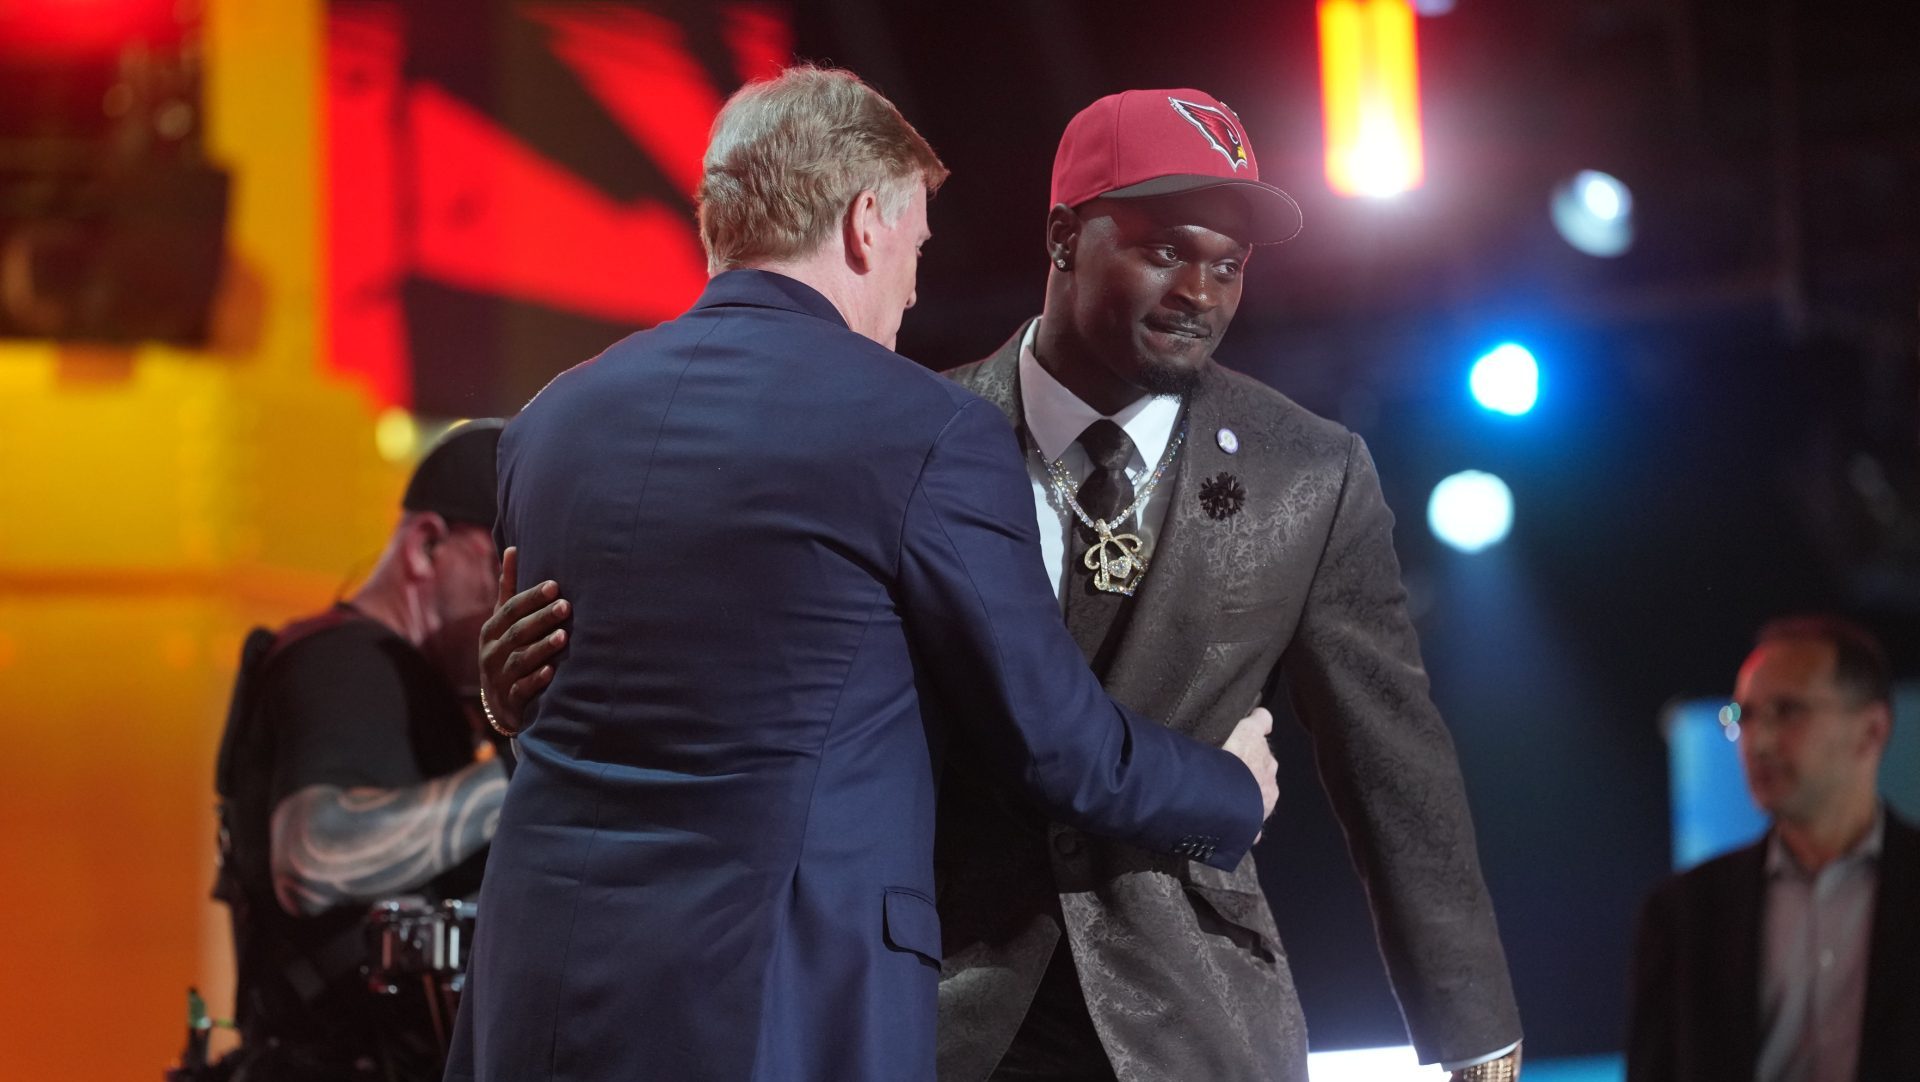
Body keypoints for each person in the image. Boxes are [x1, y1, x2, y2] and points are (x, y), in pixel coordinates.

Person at [483, 87, 1524, 1082]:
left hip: (1191, 1018)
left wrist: (1474, 1028)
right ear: (1064, 237)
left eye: (1229, 264)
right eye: (1166, 250)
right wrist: (524, 697)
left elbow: (1395, 756)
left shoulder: (1311, 472)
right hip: (935, 1007)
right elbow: (764, 682)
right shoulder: (915, 428)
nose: (1201, 293)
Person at [210, 420, 511, 1082]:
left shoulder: (424, 684)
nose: (510, 602)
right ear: (426, 546)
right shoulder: (349, 662)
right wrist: (525, 778)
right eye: (502, 570)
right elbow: (312, 859)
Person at [1626, 615, 1920, 1082]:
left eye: (1787, 711)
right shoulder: (1682, 912)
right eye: (1745, 716)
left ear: (1871, 730)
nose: (1758, 742)